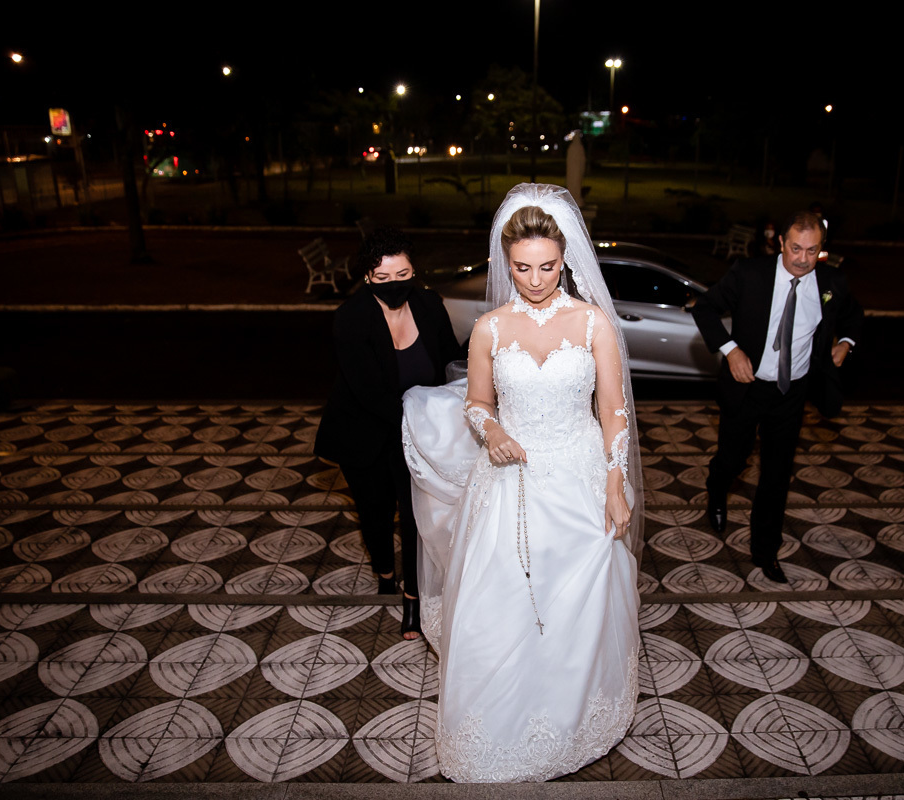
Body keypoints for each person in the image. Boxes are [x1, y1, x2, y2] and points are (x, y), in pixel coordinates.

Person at [401, 184, 643, 782]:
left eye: (548, 266)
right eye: (522, 267)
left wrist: (616, 482)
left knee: (577, 603)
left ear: (566, 259)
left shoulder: (593, 325)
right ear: (505, 263)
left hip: (580, 475)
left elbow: (613, 409)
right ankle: (497, 718)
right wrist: (491, 432)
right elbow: (478, 403)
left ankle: (575, 710)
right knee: (501, 598)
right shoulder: (489, 328)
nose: (535, 279)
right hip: (508, 483)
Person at [692, 210, 864, 584]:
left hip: (791, 391)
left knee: (777, 473)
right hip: (748, 385)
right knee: (733, 458)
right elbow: (704, 308)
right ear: (781, 243)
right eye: (796, 249)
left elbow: (853, 315)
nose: (803, 259)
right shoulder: (750, 274)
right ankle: (717, 487)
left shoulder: (831, 282)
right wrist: (732, 350)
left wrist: (845, 344)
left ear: (822, 250)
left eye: (812, 251)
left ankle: (765, 551)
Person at [313, 227, 464, 639]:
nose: (395, 285)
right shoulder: (351, 317)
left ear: (414, 271)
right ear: (367, 278)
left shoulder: (430, 305)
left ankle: (414, 602)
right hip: (366, 432)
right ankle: (383, 570)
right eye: (383, 279)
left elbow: (450, 359)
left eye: (403, 275)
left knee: (417, 517)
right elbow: (368, 392)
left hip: (418, 434)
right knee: (376, 515)